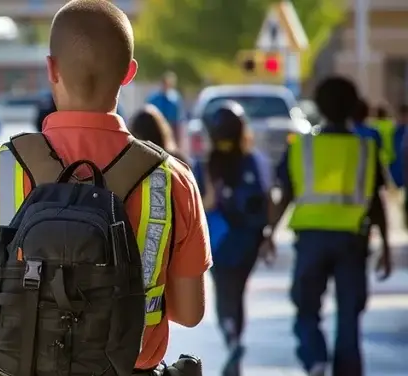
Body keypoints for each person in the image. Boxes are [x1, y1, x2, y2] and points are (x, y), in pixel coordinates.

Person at [0, 1, 210, 375]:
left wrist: (16, 299)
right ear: (128, 73)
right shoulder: (170, 179)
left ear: (51, 69)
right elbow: (189, 313)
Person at [268, 76, 392, 376]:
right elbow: (377, 201)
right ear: (353, 107)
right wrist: (386, 246)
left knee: (306, 309)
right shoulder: (365, 149)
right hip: (353, 241)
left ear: (319, 107)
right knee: (349, 317)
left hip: (311, 241)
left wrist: (268, 233)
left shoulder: (302, 147)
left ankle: (315, 359)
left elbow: (285, 194)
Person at [192, 101, 274, 376]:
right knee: (237, 292)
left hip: (218, 240)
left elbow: (199, 206)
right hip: (248, 239)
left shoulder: (204, 166)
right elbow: (264, 200)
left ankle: (231, 337)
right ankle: (235, 338)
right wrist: (266, 235)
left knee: (225, 294)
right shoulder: (254, 161)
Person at [146, 71, 185, 142]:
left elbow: (177, 122)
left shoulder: (174, 99)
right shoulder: (154, 99)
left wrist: (178, 140)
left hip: (169, 131)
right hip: (155, 130)